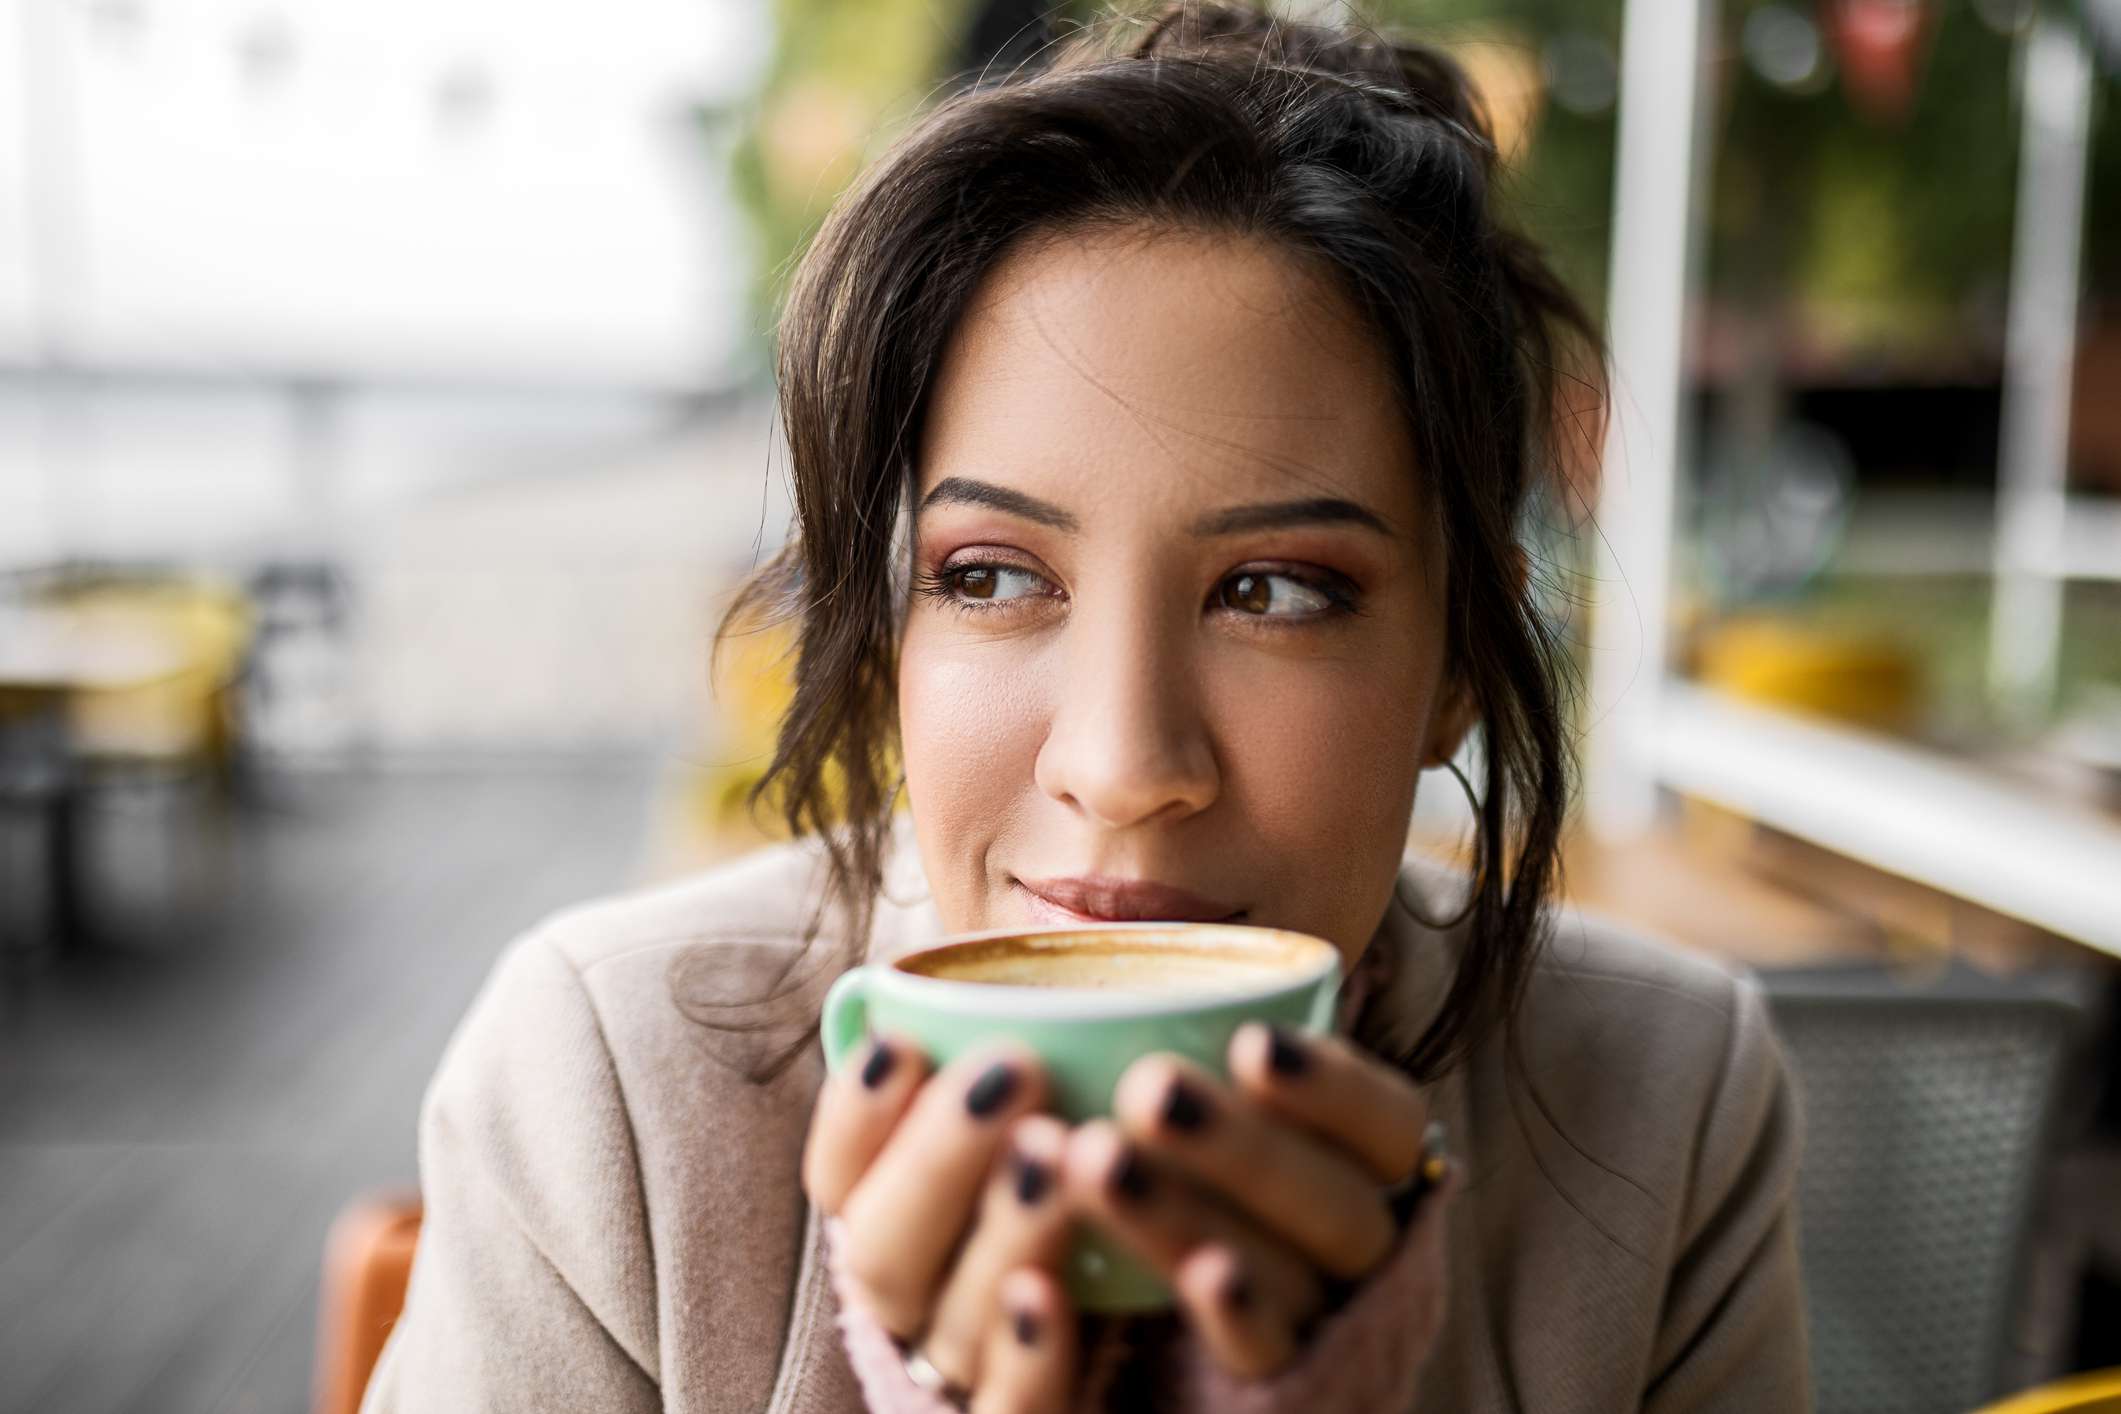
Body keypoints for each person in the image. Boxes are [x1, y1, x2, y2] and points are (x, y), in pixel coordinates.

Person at [360, 4, 1810, 1411]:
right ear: (887, 630)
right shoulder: (607, 1085)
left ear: (1453, 668)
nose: (1122, 766)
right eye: (989, 575)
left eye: (1276, 592)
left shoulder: (1667, 1101)